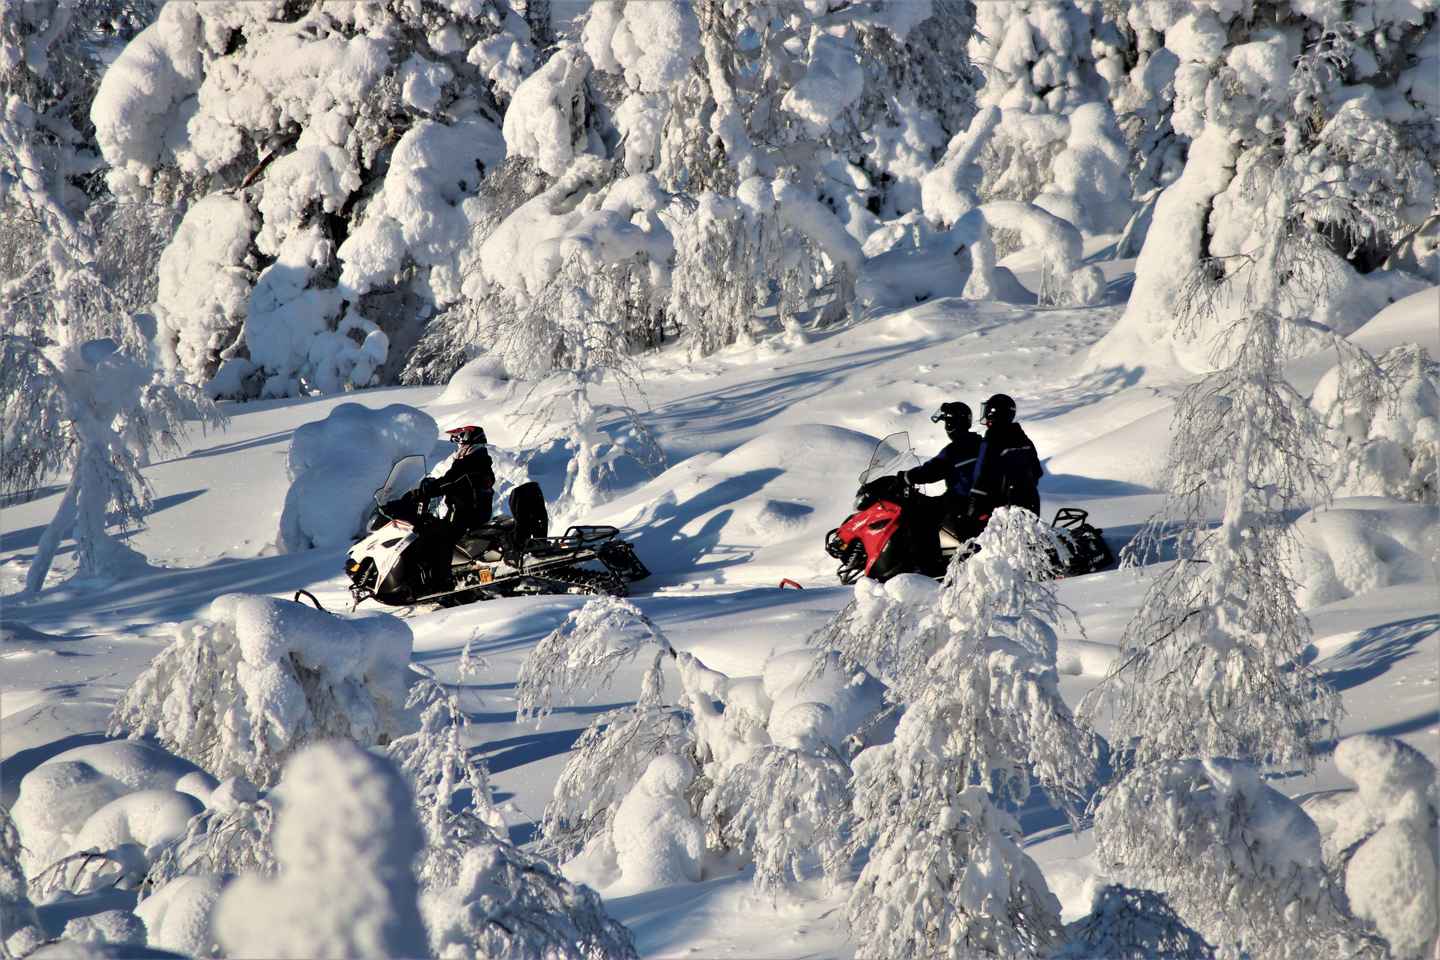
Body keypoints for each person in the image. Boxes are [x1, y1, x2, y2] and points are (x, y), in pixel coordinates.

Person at [901, 401, 983, 571]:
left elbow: (932, 471)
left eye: (947, 422)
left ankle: (923, 566)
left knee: (917, 514)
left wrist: (907, 476)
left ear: (951, 424)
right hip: (978, 498)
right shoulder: (980, 443)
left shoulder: (954, 450)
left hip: (960, 499)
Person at [966, 394, 1043, 522]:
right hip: (1031, 503)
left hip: (1000, 509)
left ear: (993, 413)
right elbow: (1037, 471)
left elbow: (982, 473)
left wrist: (974, 504)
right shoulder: (1024, 440)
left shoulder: (991, 439)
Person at [420, 425, 495, 533]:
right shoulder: (483, 463)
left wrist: (428, 488)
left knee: (431, 536)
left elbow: (449, 482)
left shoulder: (469, 464)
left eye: (461, 445)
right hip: (476, 517)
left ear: (470, 446)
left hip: (464, 521)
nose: (459, 449)